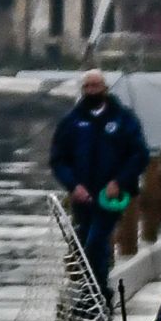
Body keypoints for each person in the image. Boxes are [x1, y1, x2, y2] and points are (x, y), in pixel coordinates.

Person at [52, 69, 149, 283]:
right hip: (82, 197)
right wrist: (73, 185)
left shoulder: (123, 119)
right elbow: (58, 160)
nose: (91, 90)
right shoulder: (71, 122)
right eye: (87, 86)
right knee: (83, 241)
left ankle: (100, 294)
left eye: (95, 85)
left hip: (111, 196)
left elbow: (139, 154)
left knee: (97, 241)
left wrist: (120, 181)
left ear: (105, 88)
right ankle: (88, 293)